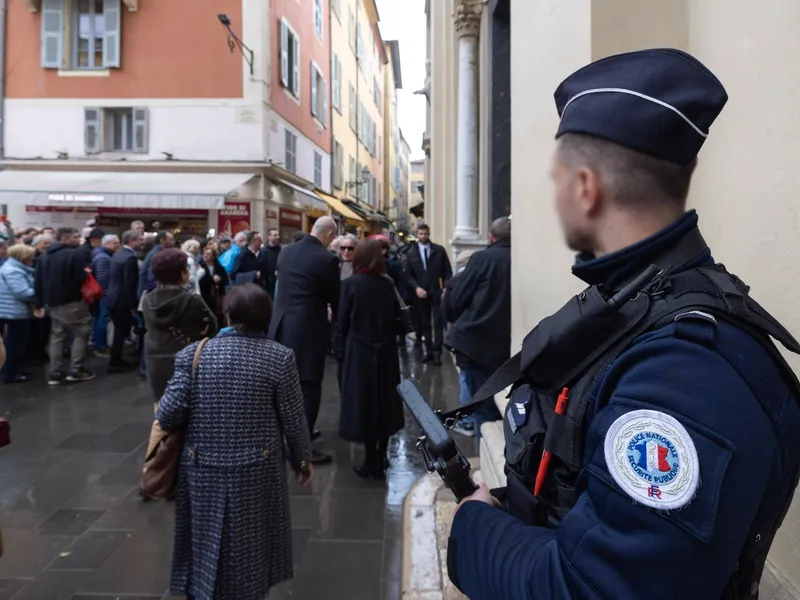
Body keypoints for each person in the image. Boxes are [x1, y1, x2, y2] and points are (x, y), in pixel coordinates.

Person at [447, 49, 800, 600]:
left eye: (556, 177)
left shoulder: (684, 375)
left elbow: (593, 589)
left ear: (585, 188)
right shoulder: (637, 305)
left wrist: (474, 528)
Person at [157, 283, 312, 600]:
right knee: (252, 546)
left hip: (201, 467)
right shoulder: (279, 357)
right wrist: (303, 461)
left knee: (204, 540)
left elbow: (169, 415)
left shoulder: (193, 355)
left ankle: (202, 590)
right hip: (259, 467)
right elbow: (294, 419)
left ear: (226, 315)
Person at [269, 216, 340, 465]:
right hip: (308, 329)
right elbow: (334, 297)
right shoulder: (327, 259)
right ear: (330, 236)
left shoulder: (286, 252)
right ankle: (301, 448)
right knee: (309, 387)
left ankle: (286, 435)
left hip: (280, 326)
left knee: (283, 385)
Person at [335, 239, 404, 478]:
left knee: (364, 404)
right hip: (386, 352)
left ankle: (369, 458)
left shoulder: (350, 284)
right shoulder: (387, 284)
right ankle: (382, 456)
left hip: (359, 352)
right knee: (384, 403)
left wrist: (339, 352)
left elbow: (341, 322)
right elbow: (397, 319)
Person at [444, 217, 512, 439]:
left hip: (476, 344)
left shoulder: (482, 258)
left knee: (482, 409)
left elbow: (458, 299)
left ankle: (483, 461)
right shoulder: (521, 259)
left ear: (491, 237)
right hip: (506, 346)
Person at [142, 248, 218, 401]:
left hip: (154, 354)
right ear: (182, 273)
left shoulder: (147, 298)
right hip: (187, 354)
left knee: (162, 399)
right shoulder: (192, 299)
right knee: (188, 400)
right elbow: (212, 324)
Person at [34, 227, 94, 386]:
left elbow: (38, 281)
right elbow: (80, 277)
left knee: (57, 336)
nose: (78, 239)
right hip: (73, 301)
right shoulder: (75, 254)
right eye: (75, 236)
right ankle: (76, 369)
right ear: (65, 239)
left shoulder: (44, 256)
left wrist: (39, 303)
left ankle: (55, 372)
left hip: (52, 303)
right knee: (81, 333)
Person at [404, 224, 452, 365]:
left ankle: (437, 352)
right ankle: (428, 351)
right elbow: (408, 275)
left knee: (438, 323)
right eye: (420, 234)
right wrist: (416, 288)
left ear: (429, 234)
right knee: (424, 323)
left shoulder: (439, 251)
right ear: (417, 234)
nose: (423, 236)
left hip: (436, 291)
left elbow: (447, 271)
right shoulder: (411, 253)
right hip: (420, 293)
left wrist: (445, 288)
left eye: (425, 233)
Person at [0, 244, 41, 383]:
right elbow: (22, 292)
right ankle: (10, 374)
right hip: (14, 312)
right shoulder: (13, 271)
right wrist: (41, 294)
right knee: (15, 344)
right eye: (30, 256)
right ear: (22, 257)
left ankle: (10, 371)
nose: (32, 259)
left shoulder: (12, 268)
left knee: (11, 344)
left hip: (9, 310)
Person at [106, 230, 142, 372]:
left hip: (114, 297)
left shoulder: (118, 254)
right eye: (139, 240)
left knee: (119, 331)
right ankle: (115, 361)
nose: (141, 242)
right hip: (122, 300)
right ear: (132, 241)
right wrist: (133, 304)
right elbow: (130, 283)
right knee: (120, 332)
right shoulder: (130, 258)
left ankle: (116, 359)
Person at [90, 234, 119, 353]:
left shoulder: (102, 255)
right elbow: (103, 279)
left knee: (101, 317)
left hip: (102, 293)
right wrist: (107, 294)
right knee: (103, 318)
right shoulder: (103, 258)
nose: (118, 245)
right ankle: (100, 345)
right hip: (104, 294)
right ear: (106, 244)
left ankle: (99, 342)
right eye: (115, 243)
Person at [198, 244, 230, 325]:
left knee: (218, 315)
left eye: (208, 254)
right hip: (205, 295)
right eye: (204, 253)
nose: (205, 255)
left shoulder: (219, 267)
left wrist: (220, 279)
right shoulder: (200, 266)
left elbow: (226, 280)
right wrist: (212, 279)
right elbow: (199, 280)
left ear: (213, 257)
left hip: (217, 295)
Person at [138, 230, 175, 298]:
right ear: (162, 241)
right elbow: (151, 277)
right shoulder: (157, 254)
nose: (173, 242)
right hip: (150, 294)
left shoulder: (156, 252)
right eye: (170, 240)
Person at [259, 228, 281, 297]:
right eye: (275, 235)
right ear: (269, 237)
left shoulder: (282, 250)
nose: (278, 237)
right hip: (267, 282)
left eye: (278, 235)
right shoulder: (263, 251)